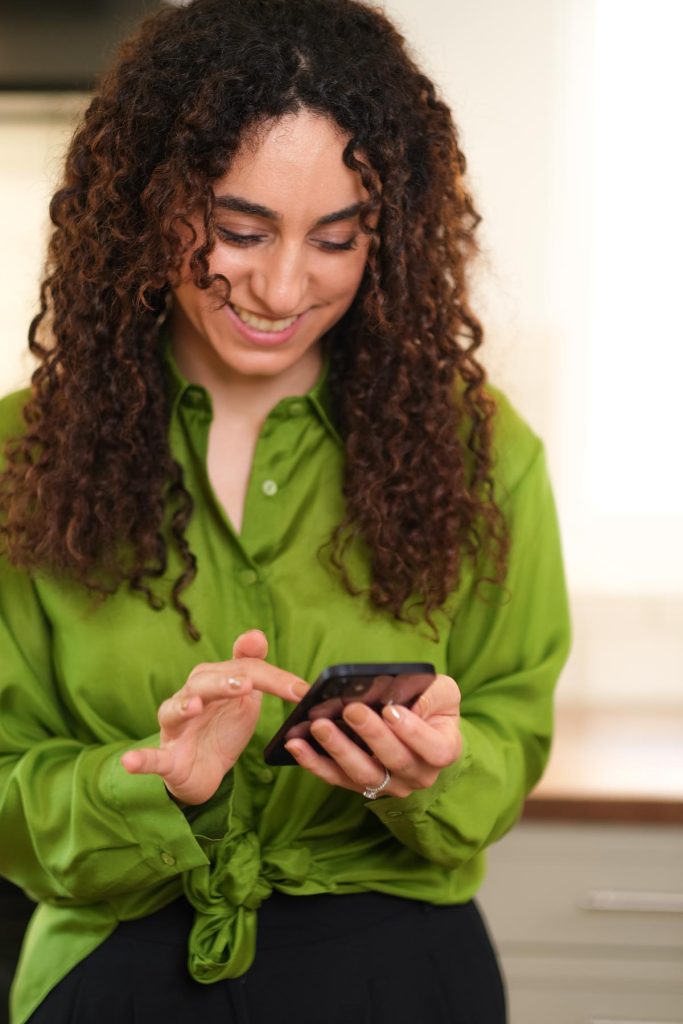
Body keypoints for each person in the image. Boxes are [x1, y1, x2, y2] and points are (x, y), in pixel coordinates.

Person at [0, 1, 571, 1021]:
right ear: (149, 203)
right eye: (237, 230)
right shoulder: (16, 458)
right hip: (116, 978)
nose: (279, 285)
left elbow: (507, 737)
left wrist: (431, 770)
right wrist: (150, 782)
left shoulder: (481, 449)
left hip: (396, 979)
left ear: (385, 237)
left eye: (336, 239)